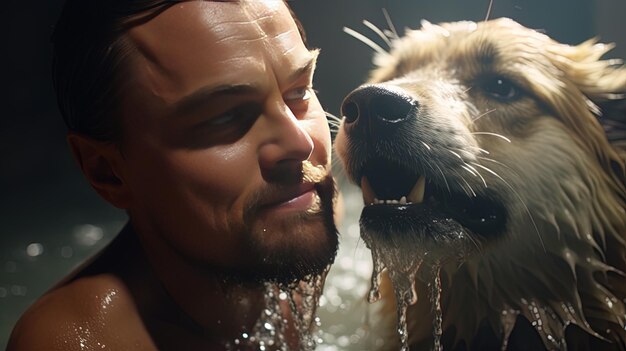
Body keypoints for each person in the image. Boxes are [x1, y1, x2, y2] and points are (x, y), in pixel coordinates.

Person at [8, 0, 338, 349]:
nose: (300, 143)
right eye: (225, 117)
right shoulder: (77, 342)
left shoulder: (303, 212)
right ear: (107, 172)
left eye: (299, 92)